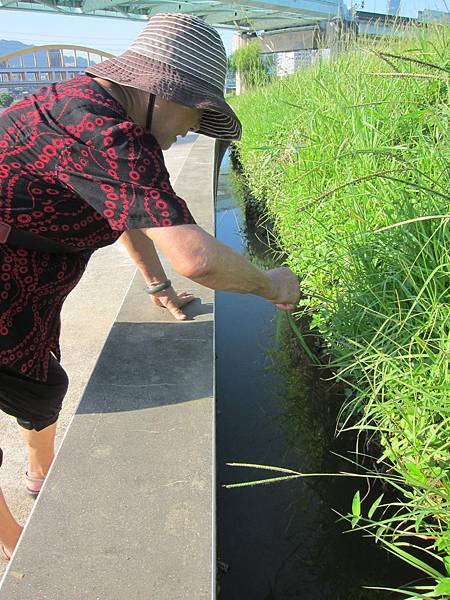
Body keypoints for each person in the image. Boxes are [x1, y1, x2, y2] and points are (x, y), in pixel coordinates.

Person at [0, 13, 300, 560]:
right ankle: (19, 545)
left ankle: (40, 471)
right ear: (159, 89)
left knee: (39, 385)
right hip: (9, 284)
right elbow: (196, 257)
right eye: (196, 109)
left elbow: (125, 212)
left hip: (26, 290)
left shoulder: (99, 113)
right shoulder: (99, 126)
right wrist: (269, 283)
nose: (192, 128)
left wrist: (155, 284)